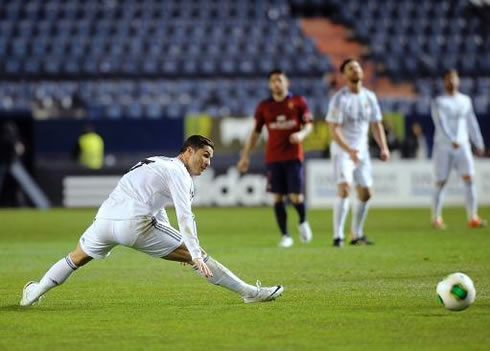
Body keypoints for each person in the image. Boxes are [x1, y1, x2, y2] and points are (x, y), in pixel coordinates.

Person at [20, 135, 283, 306]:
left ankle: (34, 292)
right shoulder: (180, 174)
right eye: (204, 155)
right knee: (199, 255)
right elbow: (185, 216)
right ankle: (248, 292)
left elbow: (155, 204)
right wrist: (193, 252)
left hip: (104, 220)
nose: (207, 163)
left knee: (75, 258)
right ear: (188, 151)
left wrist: (176, 242)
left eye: (210, 158)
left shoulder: (157, 163)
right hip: (134, 225)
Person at [237, 70, 314, 248]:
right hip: (273, 157)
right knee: (277, 198)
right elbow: (255, 133)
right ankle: (286, 236)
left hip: (293, 156)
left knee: (296, 197)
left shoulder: (298, 102)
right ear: (270, 85)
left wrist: (301, 135)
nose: (276, 83)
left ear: (287, 82)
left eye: (279, 80)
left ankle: (302, 221)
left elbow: (309, 125)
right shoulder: (264, 106)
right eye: (273, 81)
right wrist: (245, 156)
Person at [326, 58, 390, 247]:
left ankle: (357, 233)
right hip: (342, 151)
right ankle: (338, 237)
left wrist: (384, 147)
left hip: (361, 151)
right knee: (345, 188)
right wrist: (349, 150)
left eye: (357, 67)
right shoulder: (340, 98)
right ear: (344, 75)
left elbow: (376, 124)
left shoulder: (369, 97)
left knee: (366, 193)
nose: (355, 70)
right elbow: (333, 130)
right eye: (350, 68)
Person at [430, 69, 486, 229]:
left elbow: (471, 122)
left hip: (463, 146)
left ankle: (473, 217)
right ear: (444, 82)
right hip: (443, 146)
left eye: (454, 78)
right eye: (448, 79)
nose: (451, 82)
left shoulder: (465, 100)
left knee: (469, 179)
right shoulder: (439, 101)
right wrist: (450, 139)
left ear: (458, 80)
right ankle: (436, 218)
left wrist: (479, 142)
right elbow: (440, 123)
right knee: (440, 181)